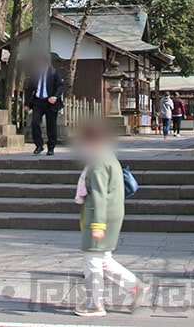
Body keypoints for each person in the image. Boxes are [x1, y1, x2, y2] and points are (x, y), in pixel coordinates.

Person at [73, 121, 148, 317]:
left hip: (100, 215)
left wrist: (97, 224)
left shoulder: (98, 161)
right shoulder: (108, 156)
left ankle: (94, 304)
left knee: (92, 260)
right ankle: (135, 286)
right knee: (104, 259)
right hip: (113, 212)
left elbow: (98, 194)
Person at [24, 53, 65, 156]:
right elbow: (29, 90)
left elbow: (60, 86)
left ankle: (51, 147)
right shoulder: (35, 74)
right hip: (38, 101)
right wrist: (27, 104)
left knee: (51, 125)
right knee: (35, 122)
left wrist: (55, 97)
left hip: (50, 101)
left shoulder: (53, 73)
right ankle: (39, 145)